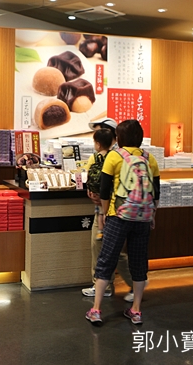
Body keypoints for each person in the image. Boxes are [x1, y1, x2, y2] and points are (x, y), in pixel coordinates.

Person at [85, 119, 160, 326]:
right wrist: (152, 214)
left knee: (106, 259)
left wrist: (103, 213)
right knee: (139, 262)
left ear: (119, 137)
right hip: (142, 217)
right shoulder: (150, 159)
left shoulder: (114, 156)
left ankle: (96, 309)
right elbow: (156, 192)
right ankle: (136, 310)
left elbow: (105, 189)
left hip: (117, 216)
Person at [82, 117, 133, 298]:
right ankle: (110, 285)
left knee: (105, 248)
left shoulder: (110, 157)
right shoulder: (122, 156)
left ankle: (134, 282)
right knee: (107, 249)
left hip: (108, 211)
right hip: (114, 209)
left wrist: (98, 200)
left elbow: (92, 181)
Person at [88, 128, 115, 241]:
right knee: (105, 212)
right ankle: (104, 230)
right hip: (110, 193)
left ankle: (100, 231)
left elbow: (88, 174)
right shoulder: (113, 156)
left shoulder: (94, 157)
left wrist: (90, 189)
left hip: (97, 191)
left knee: (99, 210)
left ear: (98, 144)